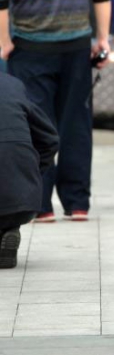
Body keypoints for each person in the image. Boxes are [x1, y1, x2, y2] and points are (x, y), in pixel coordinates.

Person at [0, 0, 111, 222]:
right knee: (76, 123)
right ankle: (78, 203)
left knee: (36, 126)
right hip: (78, 47)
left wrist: (3, 42)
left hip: (29, 50)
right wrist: (103, 40)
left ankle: (42, 204)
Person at [0, 71, 58, 268]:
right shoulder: (13, 85)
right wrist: (29, 175)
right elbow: (50, 140)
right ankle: (8, 228)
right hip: (25, 201)